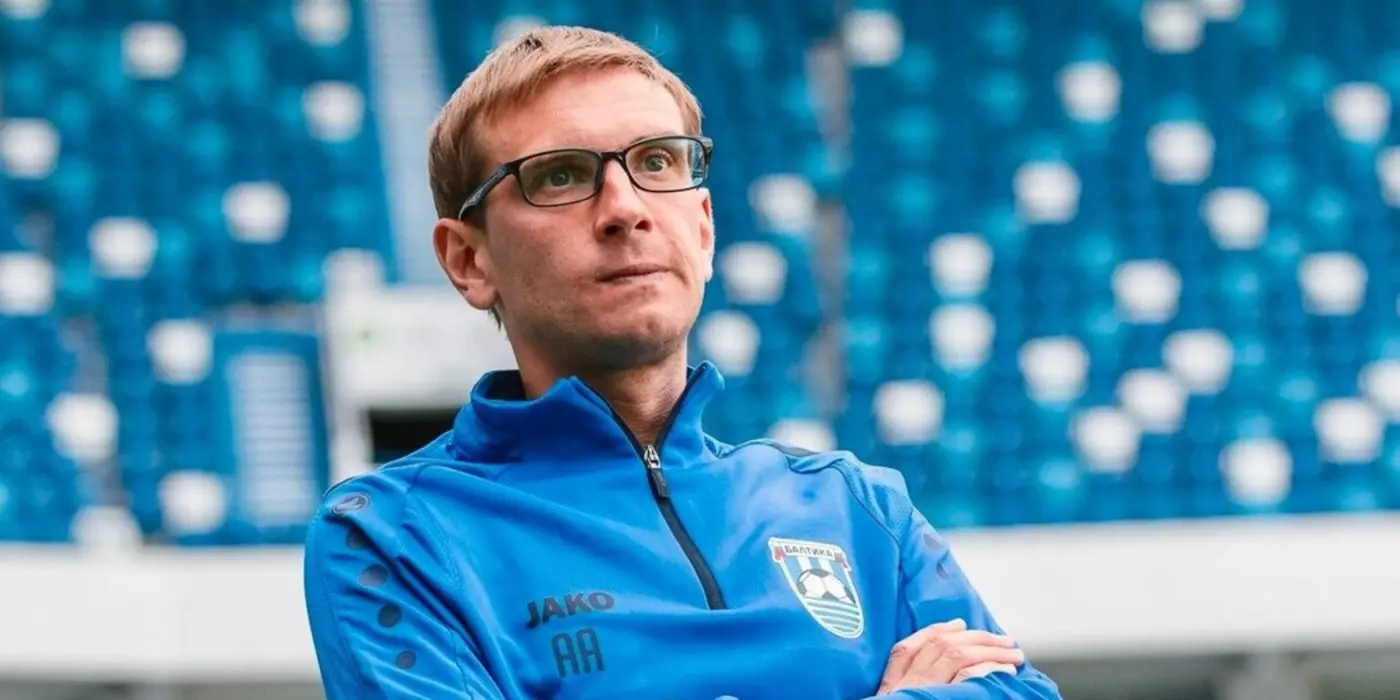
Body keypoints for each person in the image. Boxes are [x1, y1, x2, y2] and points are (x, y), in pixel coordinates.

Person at [303, 25, 1062, 700]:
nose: (626, 207)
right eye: (560, 175)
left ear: (703, 228)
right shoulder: (395, 536)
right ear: (469, 261)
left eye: (658, 161)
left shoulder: (857, 506)